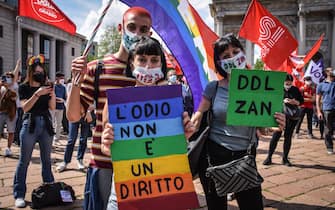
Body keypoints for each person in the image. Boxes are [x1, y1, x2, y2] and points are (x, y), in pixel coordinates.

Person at [66, 7, 153, 210]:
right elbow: (73, 115)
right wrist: (77, 80)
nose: (137, 33)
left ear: (150, 34)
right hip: (104, 162)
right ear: (120, 28)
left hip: (141, 164)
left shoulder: (153, 73)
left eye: (144, 29)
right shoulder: (98, 68)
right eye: (132, 27)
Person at [189, 34, 285, 210]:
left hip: (245, 157)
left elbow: (263, 128)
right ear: (219, 63)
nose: (232, 57)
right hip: (213, 157)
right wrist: (190, 124)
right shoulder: (213, 87)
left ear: (243, 52)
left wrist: (275, 123)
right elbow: (199, 113)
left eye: (235, 51)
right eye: (226, 56)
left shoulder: (260, 86)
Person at [100, 36, 195, 209]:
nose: (148, 66)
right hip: (128, 189)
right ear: (131, 64)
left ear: (161, 65)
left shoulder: (172, 102)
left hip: (164, 189)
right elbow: (107, 150)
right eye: (142, 60)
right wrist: (108, 144)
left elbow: (175, 146)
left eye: (154, 60)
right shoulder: (116, 103)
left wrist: (185, 136)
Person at [13, 55, 55, 208]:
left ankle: (49, 188)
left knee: (47, 160)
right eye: (37, 71)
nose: (40, 73)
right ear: (31, 72)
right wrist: (38, 93)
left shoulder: (47, 85)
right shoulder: (24, 87)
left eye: (41, 71)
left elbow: (51, 107)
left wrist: (52, 92)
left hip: (46, 124)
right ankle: (19, 194)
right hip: (30, 123)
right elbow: (25, 108)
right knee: (24, 161)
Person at [263, 74, 304, 167]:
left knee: (288, 137)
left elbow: (301, 101)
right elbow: (271, 100)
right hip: (279, 116)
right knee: (276, 136)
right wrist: (282, 101)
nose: (288, 85)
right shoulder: (277, 89)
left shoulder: (295, 90)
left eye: (289, 84)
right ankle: (269, 157)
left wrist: (294, 102)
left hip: (292, 117)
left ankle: (285, 158)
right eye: (286, 83)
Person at [316, 67, 335, 154]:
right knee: (328, 129)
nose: (332, 71)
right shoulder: (321, 85)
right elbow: (318, 98)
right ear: (327, 72)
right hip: (327, 109)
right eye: (331, 70)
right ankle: (329, 147)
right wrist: (319, 111)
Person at [0, 72, 17, 156]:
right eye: (6, 77)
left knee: (11, 131)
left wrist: (8, 89)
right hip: (1, 111)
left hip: (11, 112)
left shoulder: (15, 87)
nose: (7, 78)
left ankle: (8, 148)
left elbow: (14, 97)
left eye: (9, 77)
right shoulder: (1, 87)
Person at [53, 72, 67, 143]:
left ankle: (56, 138)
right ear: (57, 78)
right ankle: (51, 137)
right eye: (61, 78)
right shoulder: (53, 86)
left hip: (61, 107)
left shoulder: (63, 87)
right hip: (53, 107)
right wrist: (57, 99)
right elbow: (52, 96)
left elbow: (65, 97)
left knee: (58, 124)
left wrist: (63, 100)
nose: (62, 80)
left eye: (63, 78)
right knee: (52, 123)